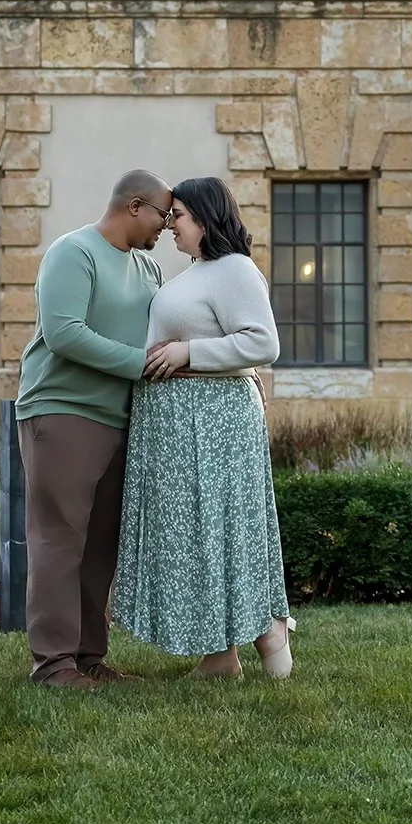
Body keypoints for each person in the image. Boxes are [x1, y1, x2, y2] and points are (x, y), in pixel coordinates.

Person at [114, 175, 294, 679]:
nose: (172, 226)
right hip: (181, 422)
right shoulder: (198, 271)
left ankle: (264, 634)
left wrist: (187, 351)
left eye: (182, 217)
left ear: (207, 219)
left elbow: (263, 343)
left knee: (216, 528)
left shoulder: (234, 269)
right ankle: (223, 654)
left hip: (211, 423)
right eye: (170, 217)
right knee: (198, 534)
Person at [14, 168, 171, 687]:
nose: (166, 226)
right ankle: (52, 662)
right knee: (60, 540)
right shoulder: (73, 252)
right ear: (133, 206)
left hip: (121, 418)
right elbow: (64, 334)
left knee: (101, 545)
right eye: (162, 214)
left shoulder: (149, 269)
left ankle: (87, 657)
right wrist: (141, 364)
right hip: (62, 411)